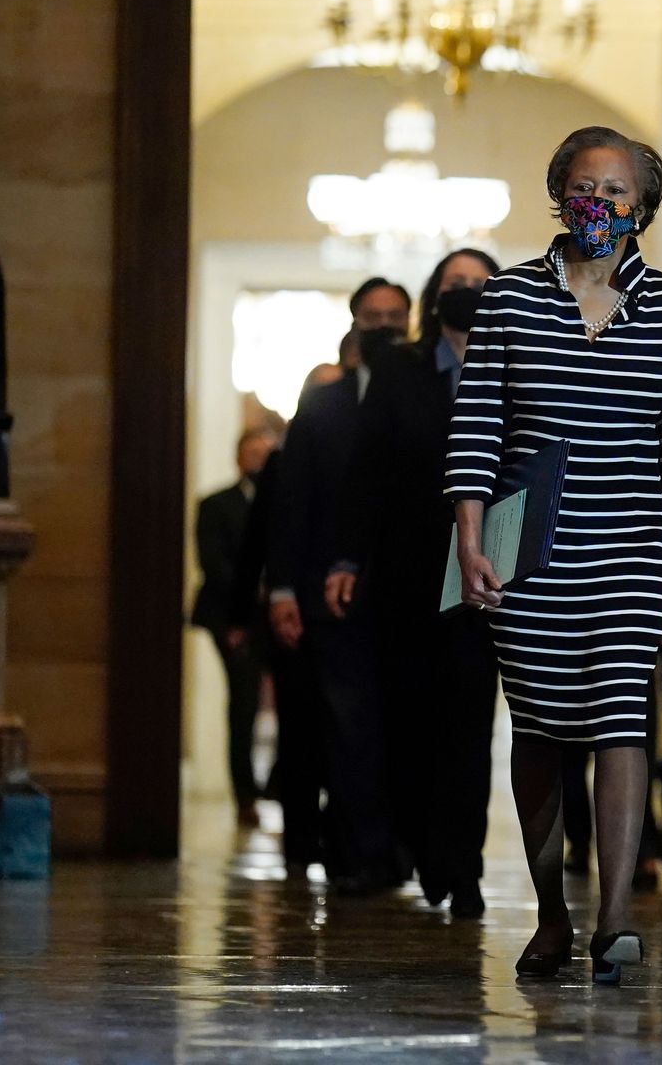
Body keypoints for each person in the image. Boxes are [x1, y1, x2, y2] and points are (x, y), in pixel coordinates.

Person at [445, 126, 662, 984]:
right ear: (556, 194)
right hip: (527, 548)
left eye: (615, 191)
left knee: (619, 721)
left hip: (633, 551)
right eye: (582, 186)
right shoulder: (509, 298)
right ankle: (551, 915)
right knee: (536, 726)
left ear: (642, 207)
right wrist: (468, 543)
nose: (597, 203)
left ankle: (613, 917)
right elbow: (475, 429)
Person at [326, 249, 501, 917]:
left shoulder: (513, 365)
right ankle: (417, 850)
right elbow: (365, 470)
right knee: (408, 722)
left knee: (466, 725)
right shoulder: (400, 369)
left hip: (486, 575)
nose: (467, 293)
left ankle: (464, 867)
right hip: (405, 574)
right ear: (435, 295)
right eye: (455, 284)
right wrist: (346, 559)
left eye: (480, 284)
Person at [269, 278, 412, 896]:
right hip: (334, 598)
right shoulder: (322, 408)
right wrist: (281, 589)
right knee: (350, 728)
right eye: (371, 316)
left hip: (409, 595)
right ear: (355, 322)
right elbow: (291, 502)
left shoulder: (434, 395)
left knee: (407, 726)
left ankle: (402, 848)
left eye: (394, 316)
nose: (382, 326)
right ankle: (359, 851)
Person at [237, 364, 346, 875]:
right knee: (299, 733)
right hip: (295, 618)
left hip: (347, 615)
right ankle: (301, 843)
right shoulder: (282, 463)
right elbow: (258, 541)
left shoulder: (359, 452)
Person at [193, 428, 276, 828]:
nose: (259, 458)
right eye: (252, 451)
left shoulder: (282, 502)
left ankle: (278, 782)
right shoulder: (215, 504)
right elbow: (215, 564)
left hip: (274, 615)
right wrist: (249, 600)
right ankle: (245, 794)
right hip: (230, 616)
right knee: (243, 703)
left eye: (266, 452)